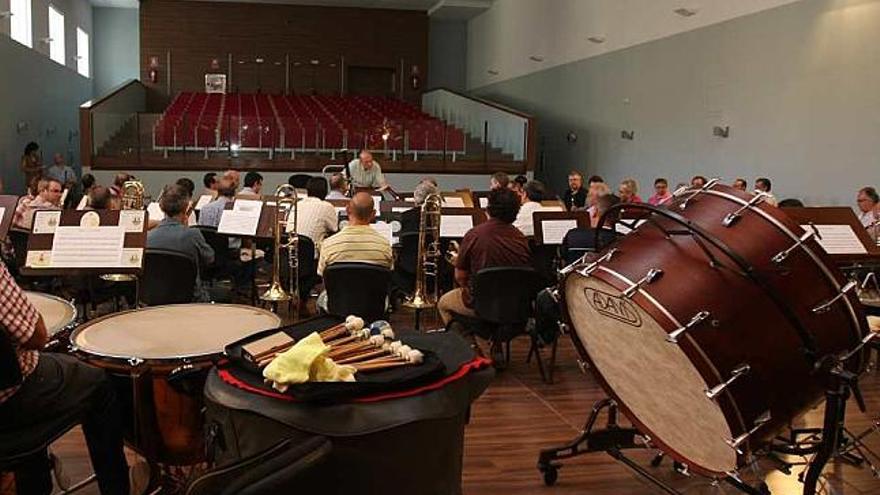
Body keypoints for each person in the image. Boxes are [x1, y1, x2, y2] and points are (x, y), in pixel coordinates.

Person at [0, 260, 132, 495]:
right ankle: (116, 488)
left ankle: (33, 475)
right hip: (11, 400)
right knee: (98, 383)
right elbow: (37, 336)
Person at [437, 187, 531, 359]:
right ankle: (496, 346)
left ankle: (471, 349)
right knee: (496, 296)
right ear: (515, 212)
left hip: (480, 306)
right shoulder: (521, 239)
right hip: (513, 309)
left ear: (489, 208)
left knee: (443, 304)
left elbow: (460, 276)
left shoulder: (475, 234)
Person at [146, 184, 215, 302]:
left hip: (156, 300)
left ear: (161, 207)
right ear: (186, 207)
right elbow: (210, 259)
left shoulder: (148, 238)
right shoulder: (193, 235)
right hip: (191, 298)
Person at [317, 192, 393, 276]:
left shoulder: (328, 245)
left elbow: (324, 279)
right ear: (373, 214)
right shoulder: (384, 246)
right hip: (372, 289)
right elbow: (387, 278)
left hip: (338, 289)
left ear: (347, 210)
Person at [561, 194, 622, 264]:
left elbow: (564, 258)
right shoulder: (622, 240)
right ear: (619, 217)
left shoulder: (572, 235)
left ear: (595, 212)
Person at [288, 177, 338, 255]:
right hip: (312, 254)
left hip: (290, 251)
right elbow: (334, 229)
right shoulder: (327, 206)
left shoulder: (297, 204)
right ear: (325, 191)